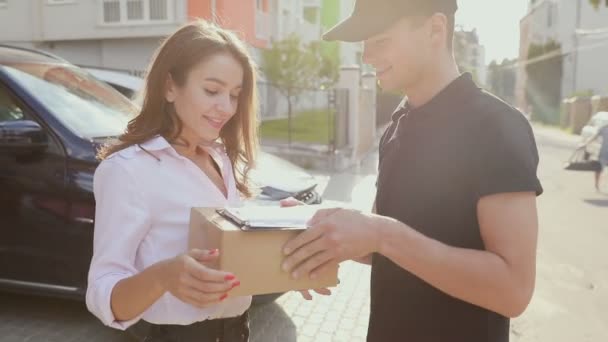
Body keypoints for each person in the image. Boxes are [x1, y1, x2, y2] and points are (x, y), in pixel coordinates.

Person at [281, 0, 543, 341]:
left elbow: (513, 291)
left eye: (380, 41)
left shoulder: (497, 127)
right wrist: (320, 231)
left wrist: (382, 234)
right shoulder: (397, 126)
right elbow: (384, 247)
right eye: (364, 44)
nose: (366, 58)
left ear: (435, 29)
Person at [86, 20, 259, 341]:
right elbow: (102, 292)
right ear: (169, 87)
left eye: (235, 94)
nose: (227, 108)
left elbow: (234, 255)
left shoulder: (221, 157)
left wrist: (292, 256)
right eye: (212, 90)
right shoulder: (127, 170)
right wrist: (163, 276)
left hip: (238, 331)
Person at [581, 123, 608, 191]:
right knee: (599, 169)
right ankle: (597, 185)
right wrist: (585, 143)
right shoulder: (604, 128)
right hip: (604, 153)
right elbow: (594, 137)